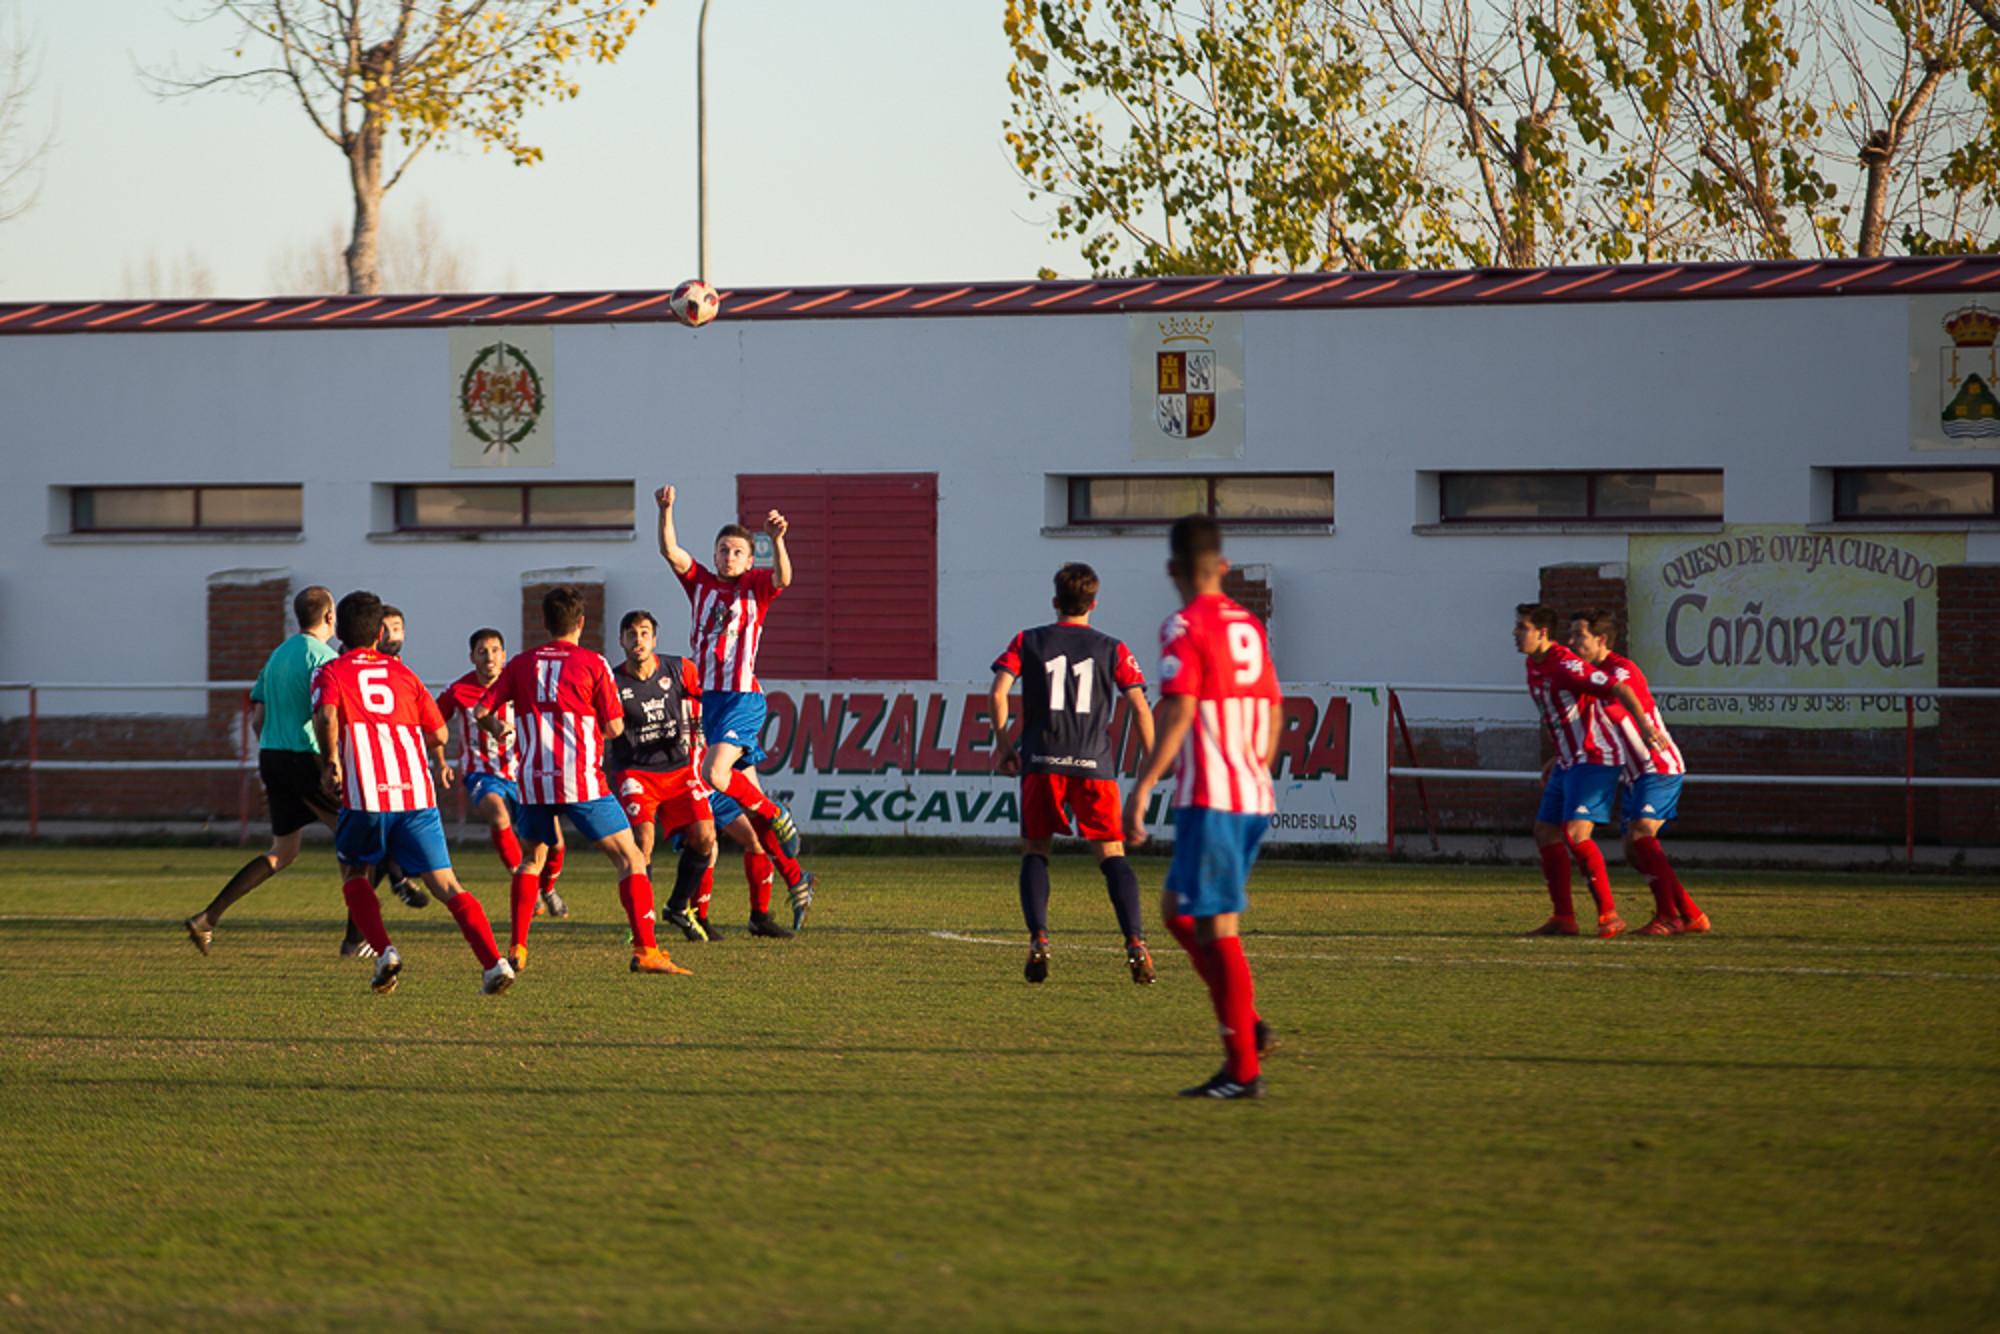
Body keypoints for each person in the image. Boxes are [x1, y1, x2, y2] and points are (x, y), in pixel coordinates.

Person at [1124, 517, 1283, 1100]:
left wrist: (1143, 786)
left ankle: (1243, 1069)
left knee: (1216, 925)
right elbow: (1272, 710)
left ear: (1171, 570)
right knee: (1175, 912)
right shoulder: (1249, 625)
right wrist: (1254, 765)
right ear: (1223, 564)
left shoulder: (1183, 625)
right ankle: (1248, 1024)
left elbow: (1181, 711)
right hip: (1250, 792)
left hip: (1214, 798)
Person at [473, 586, 688, 976]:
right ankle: (647, 950)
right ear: (581, 624)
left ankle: (518, 947)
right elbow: (614, 726)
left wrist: (499, 726)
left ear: (544, 623)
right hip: (580, 780)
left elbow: (481, 710)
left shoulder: (520, 664)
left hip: (533, 781)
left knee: (531, 860)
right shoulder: (593, 663)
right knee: (631, 857)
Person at [310, 590, 514, 995]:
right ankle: (494, 963)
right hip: (415, 795)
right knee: (448, 884)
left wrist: (331, 760)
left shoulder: (331, 672)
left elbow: (326, 715)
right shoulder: (405, 674)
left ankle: (384, 951)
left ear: (339, 630)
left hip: (365, 795)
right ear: (379, 632)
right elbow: (439, 731)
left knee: (354, 873)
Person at [990, 562, 1158, 985]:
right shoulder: (1114, 648)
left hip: (1042, 761)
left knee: (1035, 850)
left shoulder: (1028, 640)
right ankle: (1136, 942)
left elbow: (997, 692)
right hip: (1094, 764)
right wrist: (1152, 763)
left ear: (1055, 601)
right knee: (1111, 855)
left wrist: (1004, 744)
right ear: (1093, 603)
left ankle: (1039, 938)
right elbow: (1139, 707)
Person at [654, 483, 812, 929]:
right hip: (713, 705)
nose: (728, 556)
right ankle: (794, 880)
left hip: (743, 698)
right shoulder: (700, 583)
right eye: (723, 549)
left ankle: (776, 813)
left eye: (737, 551)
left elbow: (785, 578)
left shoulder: (756, 587)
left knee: (715, 776)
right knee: (746, 805)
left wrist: (778, 541)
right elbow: (670, 551)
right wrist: (666, 509)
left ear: (748, 559)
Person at [185, 585, 351, 957]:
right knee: (356, 838)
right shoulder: (324, 659)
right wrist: (331, 761)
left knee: (283, 851)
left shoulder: (276, 656)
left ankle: (207, 919)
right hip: (305, 756)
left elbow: (258, 716)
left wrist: (272, 750)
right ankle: (357, 940)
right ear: (330, 618)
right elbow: (326, 716)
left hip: (271, 756)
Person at [1514, 602, 1669, 939]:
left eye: (1522, 627)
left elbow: (1620, 687)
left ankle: (1609, 915)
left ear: (1542, 633)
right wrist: (1557, 757)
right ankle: (1564, 918)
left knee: (1576, 833)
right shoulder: (1532, 663)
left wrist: (1644, 726)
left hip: (1594, 758)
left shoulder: (1567, 664)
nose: (1515, 633)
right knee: (1545, 831)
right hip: (1569, 761)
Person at [1566, 609, 1710, 936]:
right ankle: (1691, 914)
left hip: (1658, 764)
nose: (1572, 641)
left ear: (1601, 639)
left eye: (1579, 635)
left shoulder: (1621, 670)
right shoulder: (1590, 675)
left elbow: (1626, 694)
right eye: (1571, 634)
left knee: (1642, 833)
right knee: (1633, 852)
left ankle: (1668, 917)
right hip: (1632, 774)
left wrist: (1644, 725)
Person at [605, 610, 723, 941]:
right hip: (636, 773)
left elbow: (709, 698)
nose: (637, 639)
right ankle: (641, 922)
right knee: (642, 842)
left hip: (679, 768)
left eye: (644, 633)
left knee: (705, 837)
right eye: (631, 633)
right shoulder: (613, 682)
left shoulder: (679, 668)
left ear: (654, 640)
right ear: (621, 641)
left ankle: (676, 908)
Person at [435, 628, 569, 915]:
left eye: (495, 650)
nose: (489, 657)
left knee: (555, 842)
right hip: (480, 772)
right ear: (472, 657)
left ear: (504, 655)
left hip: (523, 771)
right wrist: (440, 762)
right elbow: (433, 723)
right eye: (482, 651)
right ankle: (524, 882)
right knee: (498, 816)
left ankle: (547, 888)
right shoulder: (459, 690)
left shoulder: (522, 682)